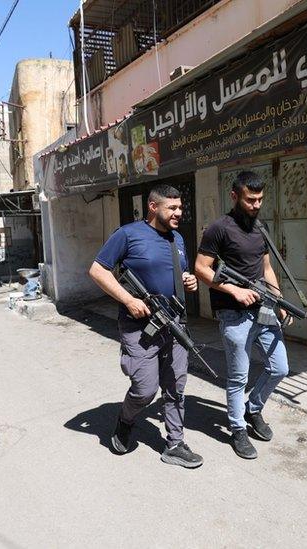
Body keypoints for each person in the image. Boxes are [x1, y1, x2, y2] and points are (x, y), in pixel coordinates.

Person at [88, 184, 203, 468]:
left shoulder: (177, 238)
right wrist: (128, 300)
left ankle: (175, 443)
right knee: (144, 389)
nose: (178, 213)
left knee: (176, 385)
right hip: (139, 326)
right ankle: (126, 420)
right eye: (172, 208)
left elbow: (177, 272)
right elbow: (97, 270)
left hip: (174, 324)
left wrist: (189, 280)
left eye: (180, 208)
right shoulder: (128, 234)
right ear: (153, 207)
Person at [194, 171, 290, 460]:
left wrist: (280, 301)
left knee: (280, 367)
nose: (256, 204)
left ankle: (253, 409)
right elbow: (201, 268)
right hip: (234, 314)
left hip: (264, 311)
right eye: (250, 199)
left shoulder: (260, 228)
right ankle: (237, 429)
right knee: (238, 377)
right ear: (235, 196)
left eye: (260, 199)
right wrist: (234, 291)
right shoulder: (218, 229)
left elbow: (267, 269)